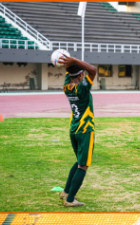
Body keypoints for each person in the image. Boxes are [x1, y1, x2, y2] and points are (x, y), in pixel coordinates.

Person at [57, 54, 98, 207]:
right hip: (85, 130)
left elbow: (72, 72)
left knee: (79, 161)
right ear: (81, 75)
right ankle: (70, 200)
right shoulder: (82, 88)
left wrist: (69, 64)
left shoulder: (67, 87)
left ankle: (66, 192)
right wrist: (73, 60)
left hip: (74, 129)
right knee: (83, 165)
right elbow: (93, 70)